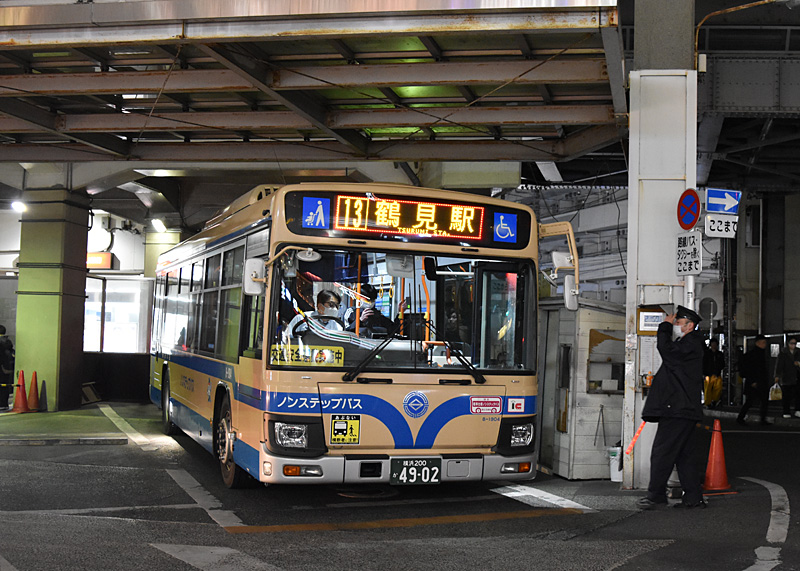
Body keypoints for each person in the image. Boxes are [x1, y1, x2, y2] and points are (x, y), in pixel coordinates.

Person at [637, 306, 706, 510]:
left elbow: (665, 349)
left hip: (678, 408)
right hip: (682, 408)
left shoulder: (690, 344)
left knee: (662, 452)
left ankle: (656, 495)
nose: (675, 324)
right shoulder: (690, 344)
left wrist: (664, 327)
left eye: (678, 322)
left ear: (689, 325)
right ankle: (693, 498)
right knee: (684, 455)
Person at [737, 335, 771, 426]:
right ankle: (741, 418)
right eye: (763, 342)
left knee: (760, 401)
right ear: (757, 343)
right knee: (751, 401)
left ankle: (761, 419)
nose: (765, 344)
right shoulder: (753, 355)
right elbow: (749, 369)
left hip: (759, 381)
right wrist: (752, 381)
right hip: (755, 381)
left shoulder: (761, 354)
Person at [774, 336, 800, 419]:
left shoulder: (798, 352)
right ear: (788, 343)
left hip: (797, 376)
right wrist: (777, 375)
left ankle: (798, 410)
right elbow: (779, 365)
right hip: (786, 376)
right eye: (792, 343)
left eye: (795, 343)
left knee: (798, 394)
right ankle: (786, 411)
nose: (793, 345)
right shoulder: (783, 353)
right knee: (786, 395)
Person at [703, 338, 725, 406]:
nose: (714, 345)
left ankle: (714, 400)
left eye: (715, 344)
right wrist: (704, 373)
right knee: (708, 389)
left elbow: (722, 363)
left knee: (718, 388)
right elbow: (704, 363)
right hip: (708, 374)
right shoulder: (707, 354)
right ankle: (708, 403)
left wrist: (718, 369)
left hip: (717, 374)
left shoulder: (719, 354)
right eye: (713, 344)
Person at [0, 325, 14, 410]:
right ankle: (4, 404)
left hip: (1, 367)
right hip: (7, 368)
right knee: (5, 386)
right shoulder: (8, 341)